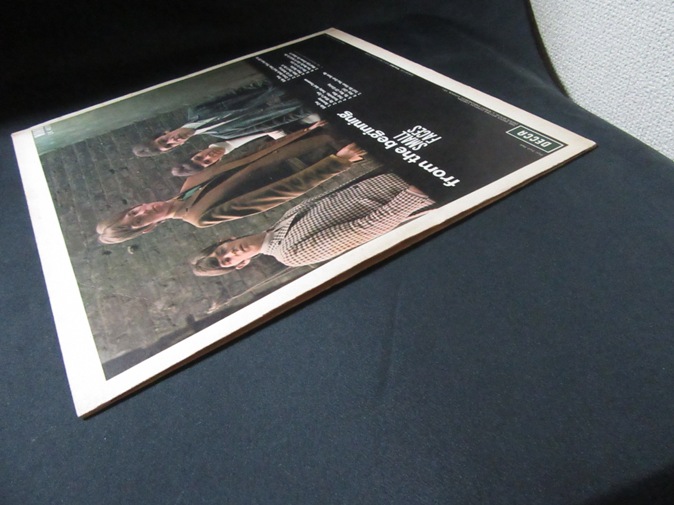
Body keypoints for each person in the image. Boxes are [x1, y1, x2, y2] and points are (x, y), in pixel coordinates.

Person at [98, 123, 365, 244]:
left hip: (310, 139)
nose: (144, 211)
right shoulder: (199, 217)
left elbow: (251, 156)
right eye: (139, 221)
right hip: (320, 157)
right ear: (148, 229)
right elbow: (277, 193)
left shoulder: (191, 181)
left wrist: (302, 132)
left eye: (134, 211)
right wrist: (338, 163)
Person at [190, 173, 434, 275]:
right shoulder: (289, 254)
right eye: (227, 261)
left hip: (391, 177)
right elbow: (365, 228)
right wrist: (414, 195)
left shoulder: (279, 225)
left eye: (222, 251)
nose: (231, 253)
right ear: (241, 264)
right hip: (414, 189)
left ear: (226, 240)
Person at [132, 80, 316, 157]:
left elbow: (239, 90)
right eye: (170, 145)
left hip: (282, 87)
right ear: (178, 146)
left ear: (164, 132)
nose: (173, 140)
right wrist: (306, 110)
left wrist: (276, 81)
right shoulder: (223, 134)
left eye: (164, 140)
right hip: (300, 103)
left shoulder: (197, 109)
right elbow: (273, 123)